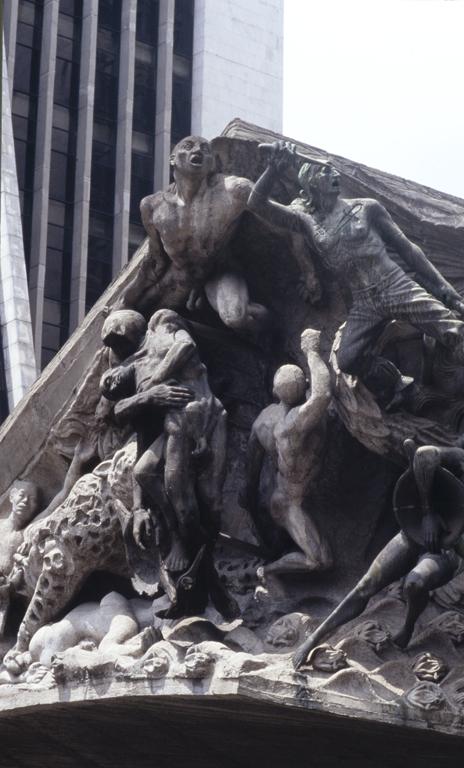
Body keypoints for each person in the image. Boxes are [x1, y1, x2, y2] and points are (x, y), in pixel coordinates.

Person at [248, 142, 464, 408]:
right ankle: (398, 383)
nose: (334, 174)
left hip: (395, 284)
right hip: (364, 301)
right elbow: (256, 204)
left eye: (334, 169)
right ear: (311, 180)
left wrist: (440, 284)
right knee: (348, 359)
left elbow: (408, 250)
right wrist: (273, 168)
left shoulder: (366, 208)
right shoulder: (306, 221)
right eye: (325, 170)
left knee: (448, 327)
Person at [293, 412, 464, 668]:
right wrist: (429, 514)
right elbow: (423, 455)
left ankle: (408, 626)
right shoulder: (463, 459)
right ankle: (312, 642)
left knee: (416, 582)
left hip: (453, 551)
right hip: (417, 533)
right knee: (365, 586)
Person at [101, 309, 227, 576]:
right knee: (146, 472)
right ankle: (184, 540)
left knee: (207, 501)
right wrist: (136, 508)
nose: (117, 348)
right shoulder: (135, 373)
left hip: (202, 415)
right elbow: (137, 432)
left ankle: (204, 550)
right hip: (175, 426)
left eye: (118, 340)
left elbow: (186, 344)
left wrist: (155, 383)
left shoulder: (160, 324)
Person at [119, 135, 267, 336]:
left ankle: (272, 333)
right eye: (188, 146)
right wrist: (125, 300)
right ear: (173, 159)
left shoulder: (231, 191)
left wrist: (308, 271)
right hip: (179, 280)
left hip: (219, 272)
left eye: (204, 149)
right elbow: (155, 262)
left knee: (235, 316)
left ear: (212, 163)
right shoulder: (152, 207)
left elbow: (282, 221)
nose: (196, 151)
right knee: (136, 327)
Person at [241, 328, 333, 576]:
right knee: (319, 560)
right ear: (305, 386)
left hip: (293, 492)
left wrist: (250, 498)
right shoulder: (293, 424)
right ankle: (267, 572)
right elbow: (322, 394)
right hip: (290, 503)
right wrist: (311, 351)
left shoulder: (261, 421)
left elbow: (251, 471)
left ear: (274, 392)